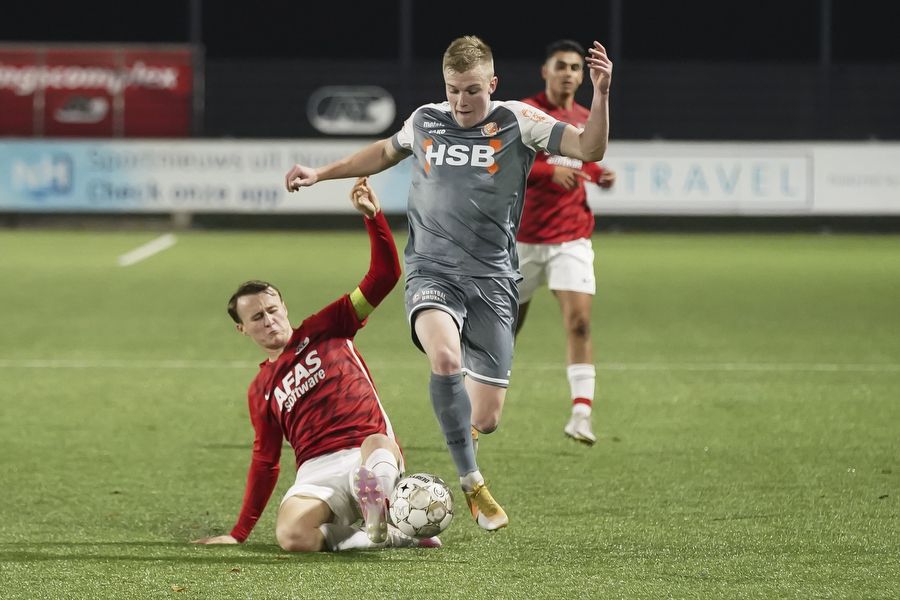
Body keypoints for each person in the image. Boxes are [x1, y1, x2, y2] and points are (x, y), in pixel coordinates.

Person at [284, 35, 613, 531]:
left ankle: (465, 430)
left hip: (494, 281)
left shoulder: (518, 121)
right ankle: (472, 481)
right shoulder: (425, 120)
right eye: (453, 89)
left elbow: (590, 147)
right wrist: (320, 173)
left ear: (493, 84)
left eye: (472, 90)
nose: (461, 101)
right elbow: (384, 151)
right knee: (444, 357)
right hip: (432, 271)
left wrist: (602, 93)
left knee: (487, 417)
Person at [192, 178, 440, 552]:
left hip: (365, 451)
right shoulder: (261, 390)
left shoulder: (329, 325)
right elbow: (265, 461)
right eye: (257, 317)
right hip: (316, 471)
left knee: (378, 444)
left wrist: (374, 218)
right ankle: (393, 534)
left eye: (272, 309)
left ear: (284, 307)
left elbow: (385, 276)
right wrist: (239, 533)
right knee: (291, 536)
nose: (269, 320)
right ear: (242, 329)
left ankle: (378, 505)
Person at [516, 40, 617, 446]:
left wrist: (599, 175)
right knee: (504, 330)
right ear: (546, 71)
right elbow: (500, 162)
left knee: (580, 323)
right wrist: (546, 172)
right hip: (521, 240)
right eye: (561, 66)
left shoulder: (584, 117)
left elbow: (584, 160)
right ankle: (478, 407)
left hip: (571, 238)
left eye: (575, 68)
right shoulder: (525, 112)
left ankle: (581, 415)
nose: (569, 74)